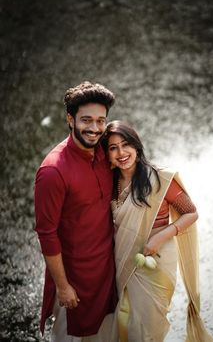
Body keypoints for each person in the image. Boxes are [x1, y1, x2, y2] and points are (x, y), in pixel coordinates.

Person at [103, 120, 213, 342]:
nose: (121, 153)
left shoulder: (160, 179)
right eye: (113, 148)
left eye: (126, 145)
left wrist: (161, 236)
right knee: (123, 319)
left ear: (137, 147)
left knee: (147, 328)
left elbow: (191, 213)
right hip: (123, 258)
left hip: (156, 260)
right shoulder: (108, 181)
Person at [34, 81, 118, 342]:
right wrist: (62, 286)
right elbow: (46, 234)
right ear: (70, 119)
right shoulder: (52, 172)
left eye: (101, 121)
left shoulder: (106, 152)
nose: (94, 129)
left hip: (107, 274)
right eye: (86, 120)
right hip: (74, 279)